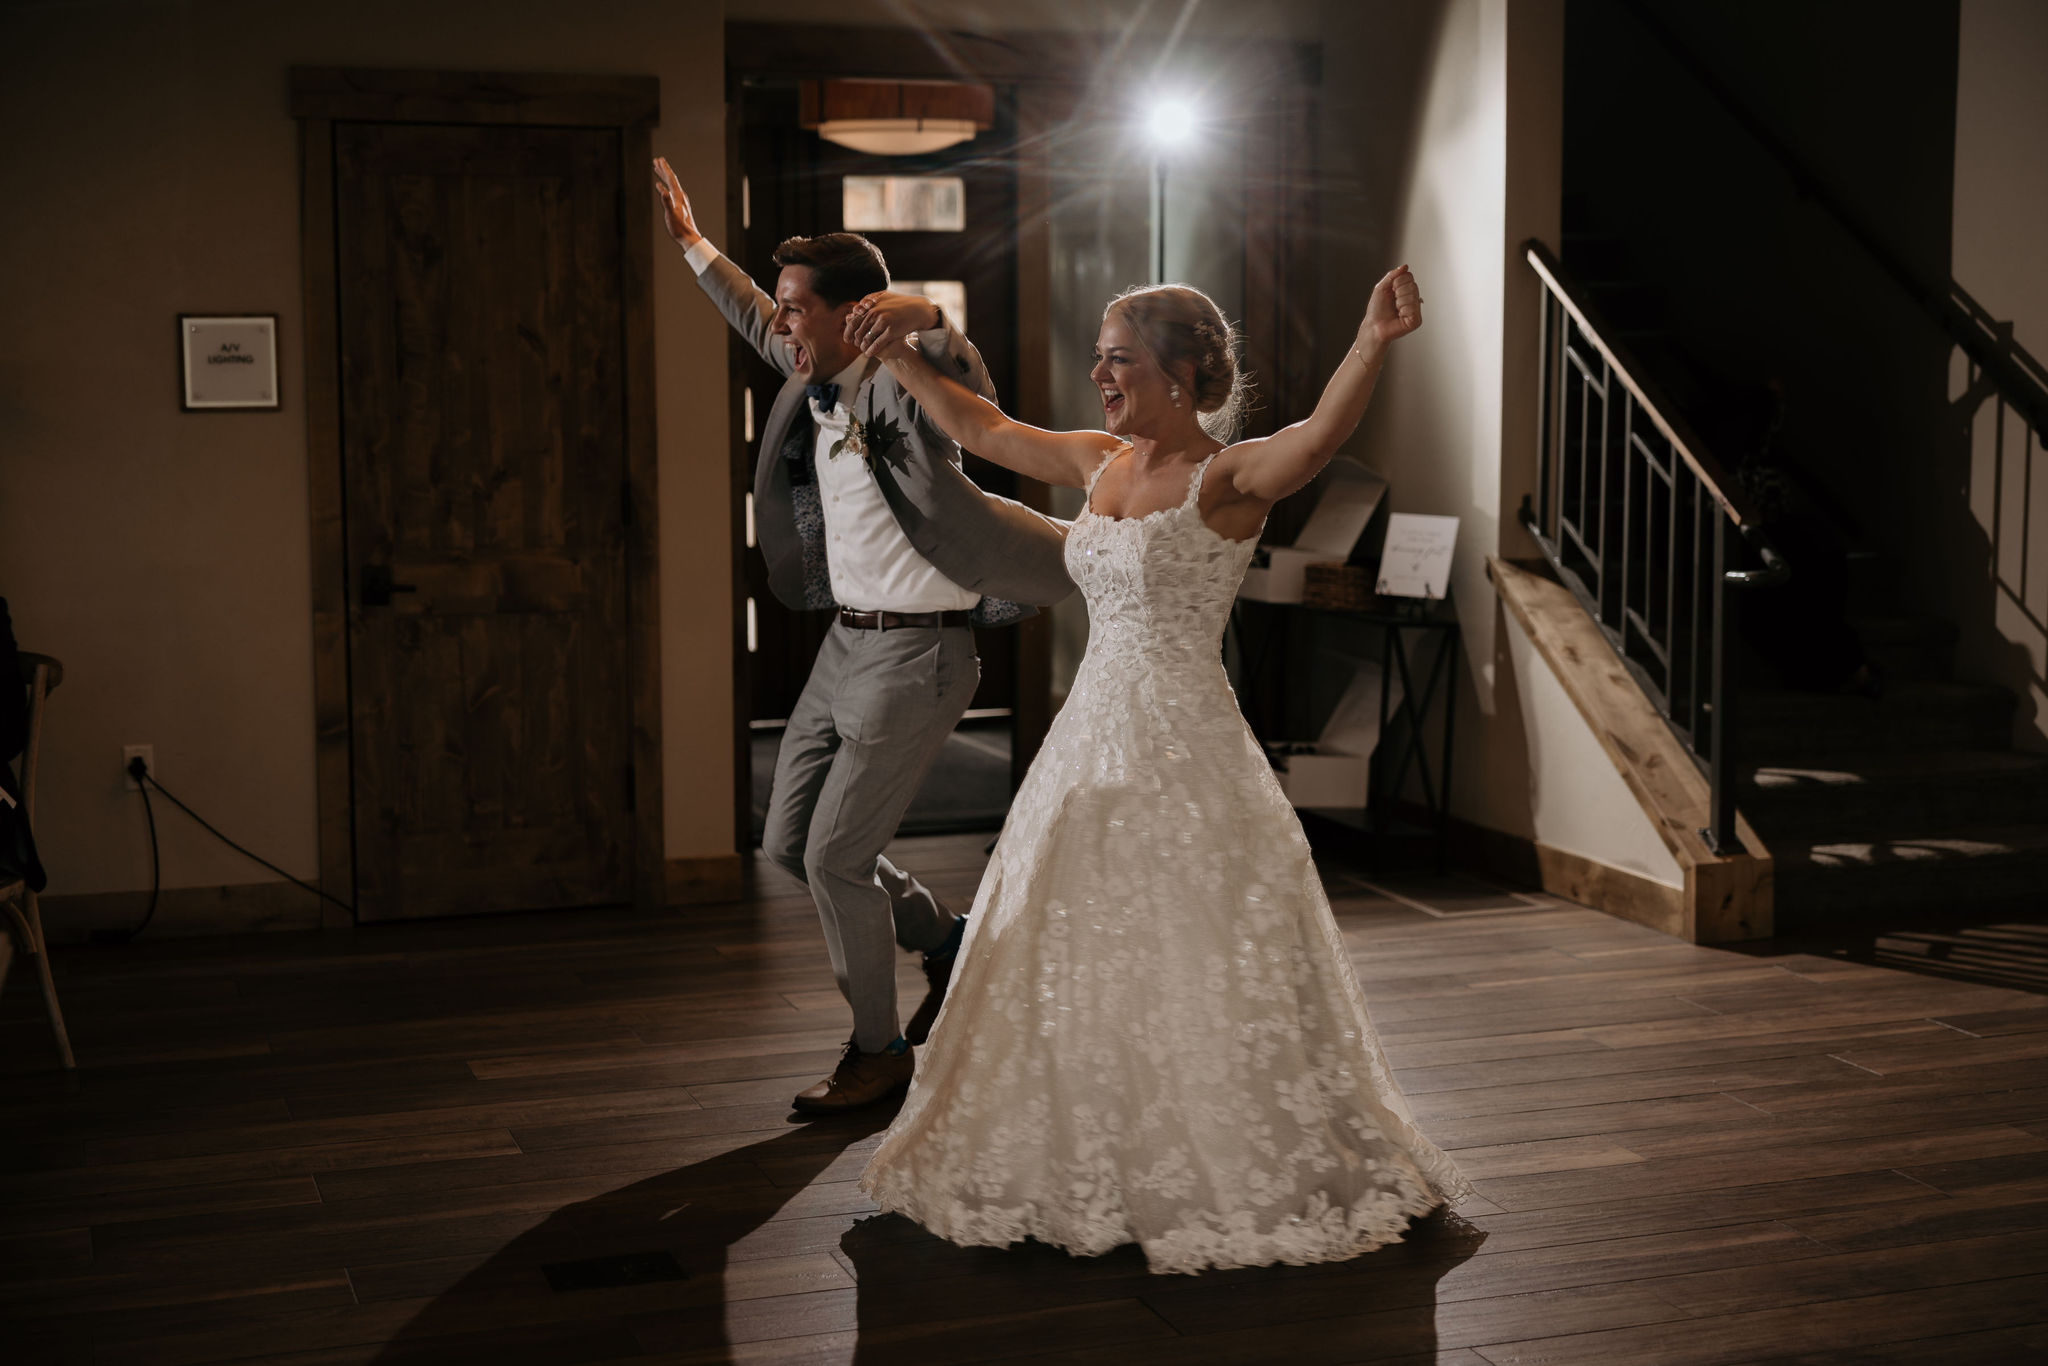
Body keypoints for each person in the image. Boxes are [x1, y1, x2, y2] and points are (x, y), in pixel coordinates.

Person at [844, 268, 1473, 1273]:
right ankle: (1081, 1144)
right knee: (1066, 936)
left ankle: (1207, 1151)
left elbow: (1315, 441)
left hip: (1183, 745)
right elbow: (982, 428)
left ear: (1178, 375)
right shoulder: (1098, 462)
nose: (1100, 373)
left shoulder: (1223, 480)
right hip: (1085, 741)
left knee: (1192, 940)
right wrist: (894, 357)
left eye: (1119, 359)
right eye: (1099, 357)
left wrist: (1370, 341)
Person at [652, 158, 1075, 1114]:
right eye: (785, 308)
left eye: (798, 308)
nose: (783, 322)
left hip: (919, 652)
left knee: (835, 859)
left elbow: (967, 374)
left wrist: (922, 316)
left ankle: (879, 1055)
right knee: (787, 843)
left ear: (857, 316)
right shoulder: (811, 371)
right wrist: (693, 243)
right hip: (843, 647)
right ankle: (944, 939)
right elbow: (751, 314)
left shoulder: (903, 384)